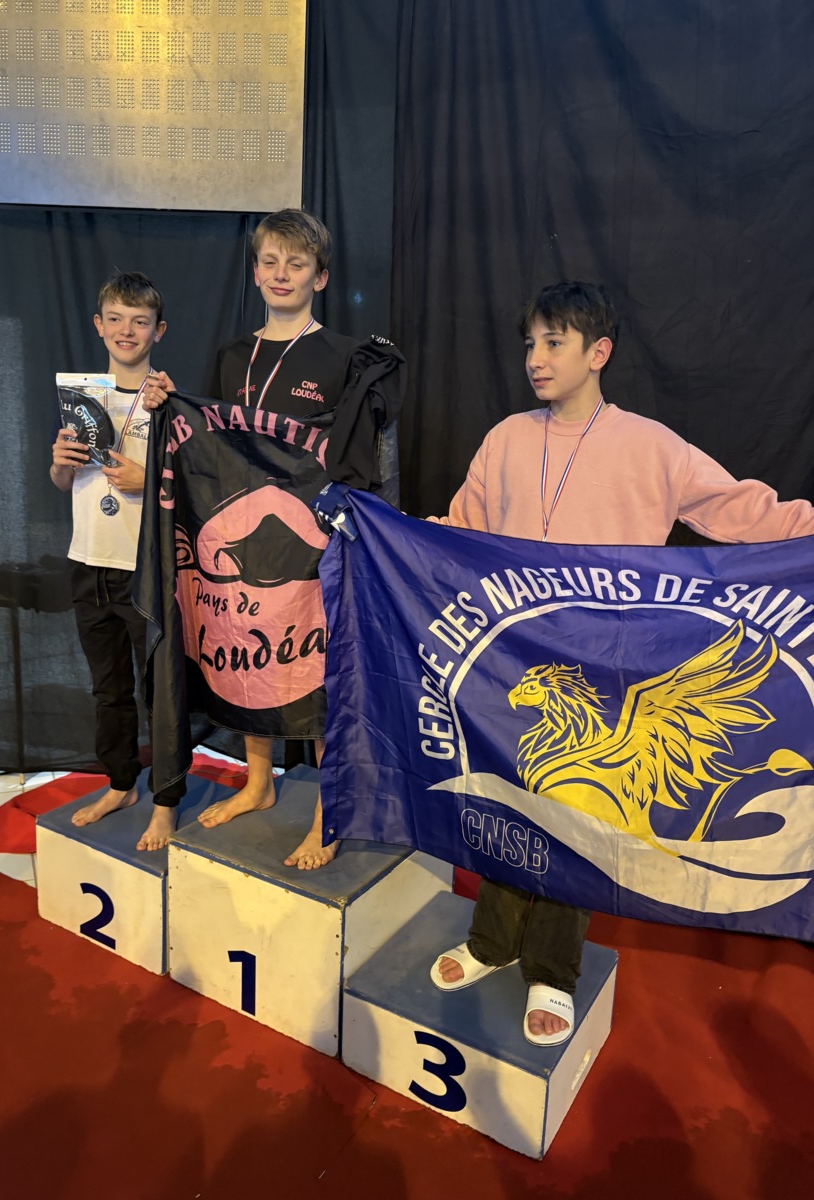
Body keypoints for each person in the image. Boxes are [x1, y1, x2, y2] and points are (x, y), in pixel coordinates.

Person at [430, 279, 814, 1046]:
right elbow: (459, 527)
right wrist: (387, 531)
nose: (536, 358)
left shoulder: (650, 446)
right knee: (508, 802)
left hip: (606, 668)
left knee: (579, 817)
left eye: (554, 342)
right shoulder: (505, 439)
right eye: (530, 343)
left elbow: (740, 509)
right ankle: (491, 942)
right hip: (513, 665)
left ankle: (552, 970)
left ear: (598, 352)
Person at [142, 209, 404, 870]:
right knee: (250, 664)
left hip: (312, 542)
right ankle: (258, 783)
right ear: (255, 271)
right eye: (270, 261)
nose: (281, 274)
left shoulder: (345, 356)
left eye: (297, 263)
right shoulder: (234, 355)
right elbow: (210, 443)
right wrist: (170, 403)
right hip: (242, 538)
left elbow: (365, 457)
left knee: (317, 674)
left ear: (320, 276)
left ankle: (328, 813)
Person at [50, 270, 182, 852]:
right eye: (116, 319)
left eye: (140, 321)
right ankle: (121, 784)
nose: (127, 330)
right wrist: (59, 463)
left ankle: (166, 802)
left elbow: (192, 489)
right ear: (99, 326)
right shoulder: (81, 397)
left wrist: (146, 479)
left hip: (144, 567)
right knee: (108, 691)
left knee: (160, 693)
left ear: (158, 331)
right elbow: (64, 481)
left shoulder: (168, 401)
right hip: (88, 562)